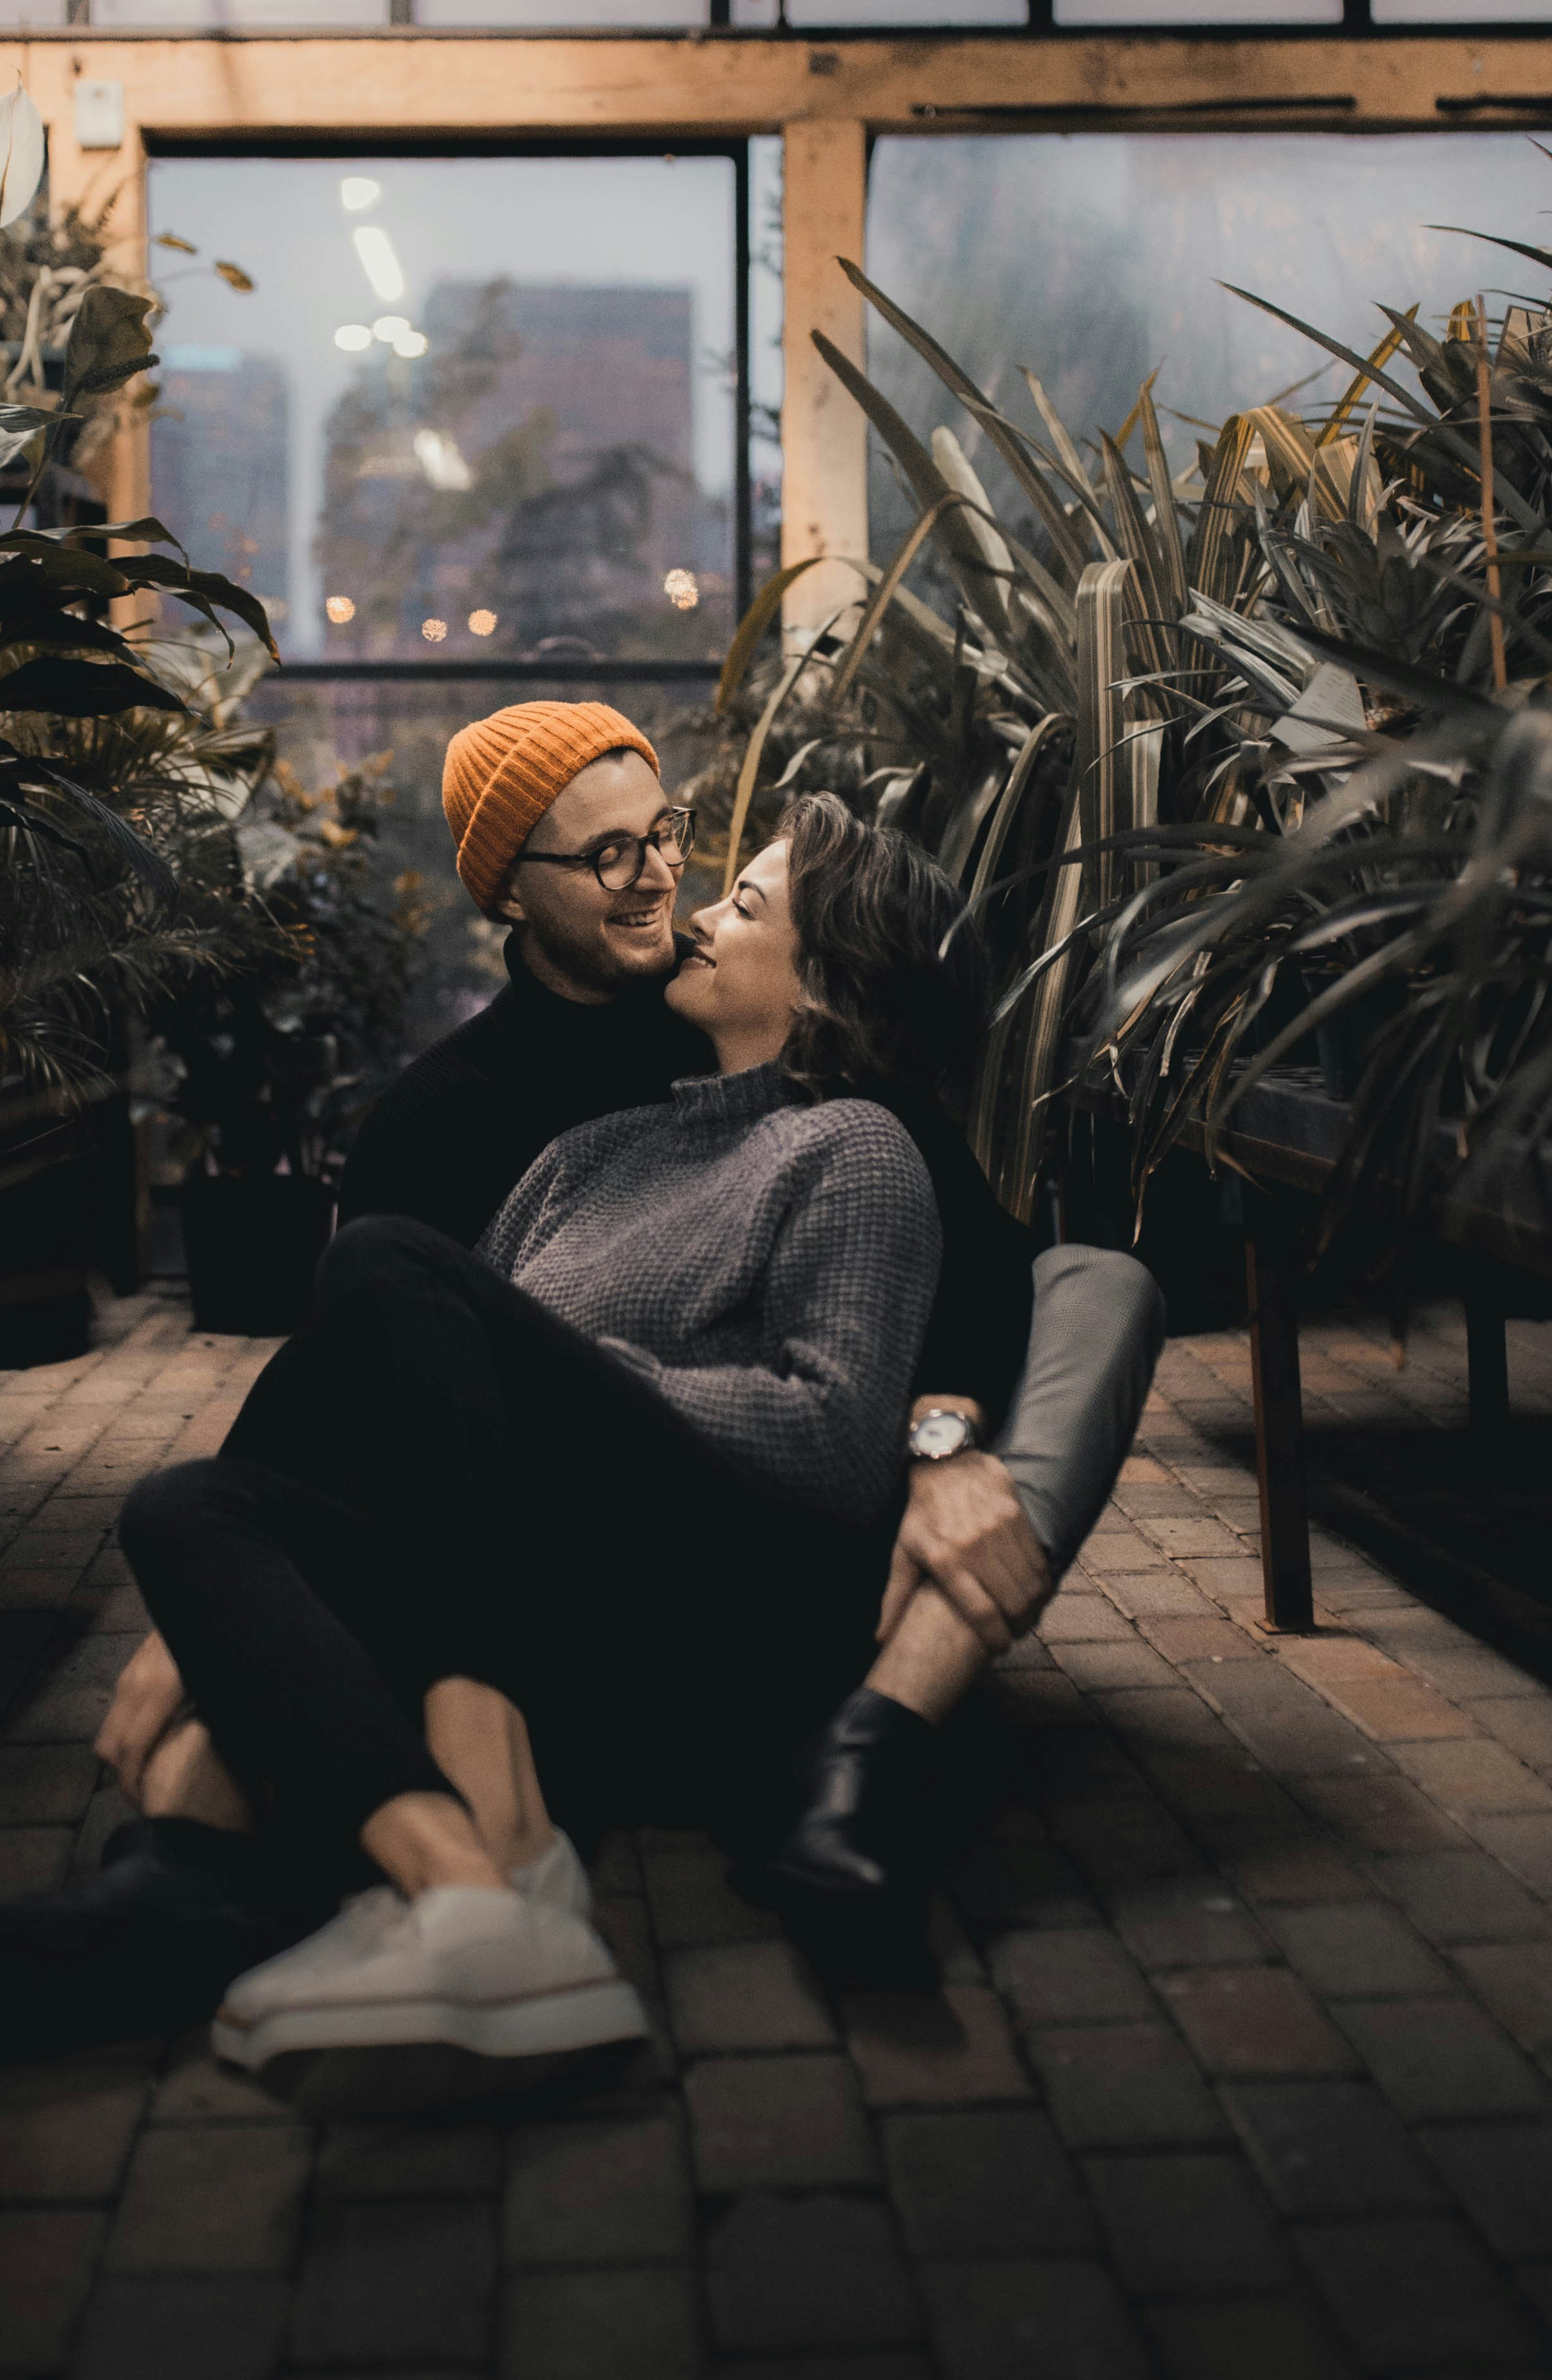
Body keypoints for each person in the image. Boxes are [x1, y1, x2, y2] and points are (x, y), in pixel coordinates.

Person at [0, 709, 1076, 2056]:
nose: (660, 882)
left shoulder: (835, 1122)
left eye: (671, 838)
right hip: (498, 1514)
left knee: (397, 1284)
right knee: (185, 1510)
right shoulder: (478, 1124)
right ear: (511, 888)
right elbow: (359, 1364)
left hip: (669, 1567)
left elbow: (971, 1268)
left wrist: (948, 1430)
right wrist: (196, 1618)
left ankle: (436, 1861)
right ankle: (226, 1890)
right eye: (607, 852)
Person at [114, 790, 976, 2109]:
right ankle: (465, 1888)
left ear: (821, 984)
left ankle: (458, 1856)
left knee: (388, 1259)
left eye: (741, 904)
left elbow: (835, 1445)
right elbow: (410, 1390)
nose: (694, 910)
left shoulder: (850, 1151)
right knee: (187, 1508)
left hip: (721, 1597)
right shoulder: (588, 1157)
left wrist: (565, 1374)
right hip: (536, 1581)